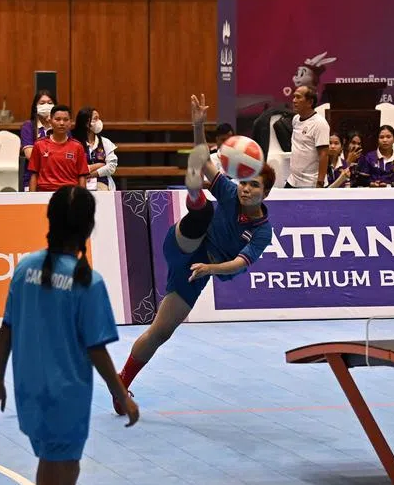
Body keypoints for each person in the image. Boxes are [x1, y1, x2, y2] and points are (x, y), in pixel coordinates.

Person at [0, 186, 138, 485]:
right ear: (88, 227)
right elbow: (95, 347)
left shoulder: (24, 268)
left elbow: (8, 326)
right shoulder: (87, 280)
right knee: (51, 483)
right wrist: (121, 392)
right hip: (65, 394)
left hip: (32, 390)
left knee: (65, 476)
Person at [115, 95, 275, 405]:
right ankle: (195, 197)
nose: (245, 188)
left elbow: (240, 264)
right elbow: (204, 160)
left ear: (265, 192)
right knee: (203, 214)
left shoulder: (262, 231)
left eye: (253, 186)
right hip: (184, 245)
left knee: (161, 332)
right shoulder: (229, 193)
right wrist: (198, 125)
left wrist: (209, 270)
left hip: (196, 273)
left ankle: (121, 384)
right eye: (244, 183)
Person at [29, 105, 89, 192]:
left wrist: (81, 198)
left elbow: (82, 176)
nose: (61, 123)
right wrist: (32, 199)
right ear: (50, 121)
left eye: (66, 120)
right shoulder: (39, 145)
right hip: (44, 192)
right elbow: (34, 174)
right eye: (57, 119)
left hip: (70, 193)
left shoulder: (77, 146)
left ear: (70, 122)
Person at [285, 85, 329, 188]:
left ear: (310, 102)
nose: (294, 100)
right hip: (293, 180)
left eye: (298, 97)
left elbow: (324, 154)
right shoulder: (295, 119)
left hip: (311, 184)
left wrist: (320, 183)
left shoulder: (319, 123)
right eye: (294, 97)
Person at [71, 107, 118, 190]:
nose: (99, 122)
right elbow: (73, 167)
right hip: (78, 183)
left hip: (101, 182)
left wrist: (91, 174)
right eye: (95, 119)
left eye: (99, 118)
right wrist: (98, 165)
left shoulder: (105, 142)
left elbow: (111, 166)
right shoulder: (73, 143)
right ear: (86, 123)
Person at [21, 91, 56, 191]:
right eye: (42, 103)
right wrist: (55, 155)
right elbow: (30, 155)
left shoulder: (61, 126)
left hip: (58, 178)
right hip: (33, 178)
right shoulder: (29, 126)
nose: (46, 105)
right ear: (35, 106)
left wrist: (53, 124)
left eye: (50, 103)